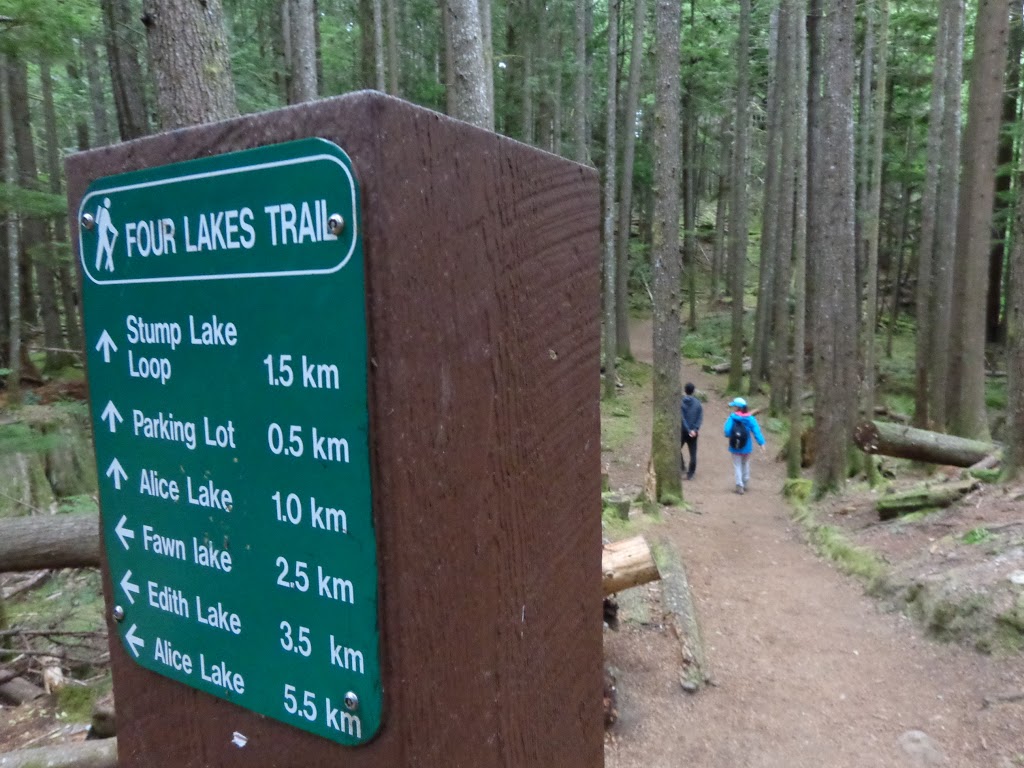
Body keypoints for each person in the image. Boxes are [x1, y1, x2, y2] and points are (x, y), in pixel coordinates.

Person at [723, 397, 765, 495]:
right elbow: (756, 431)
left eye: (734, 406)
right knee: (745, 463)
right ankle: (745, 481)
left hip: (734, 446)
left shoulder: (732, 417)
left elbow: (727, 430)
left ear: (737, 407)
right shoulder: (750, 419)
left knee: (737, 465)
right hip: (747, 446)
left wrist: (729, 435)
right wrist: (761, 443)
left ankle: (739, 485)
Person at [680, 382, 703, 479]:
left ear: (685, 391)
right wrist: (695, 429)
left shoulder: (680, 403)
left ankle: (681, 466)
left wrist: (688, 430)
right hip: (694, 433)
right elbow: (700, 418)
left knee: (676, 449)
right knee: (693, 454)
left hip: (682, 432)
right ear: (693, 391)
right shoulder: (698, 404)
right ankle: (691, 473)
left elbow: (682, 418)